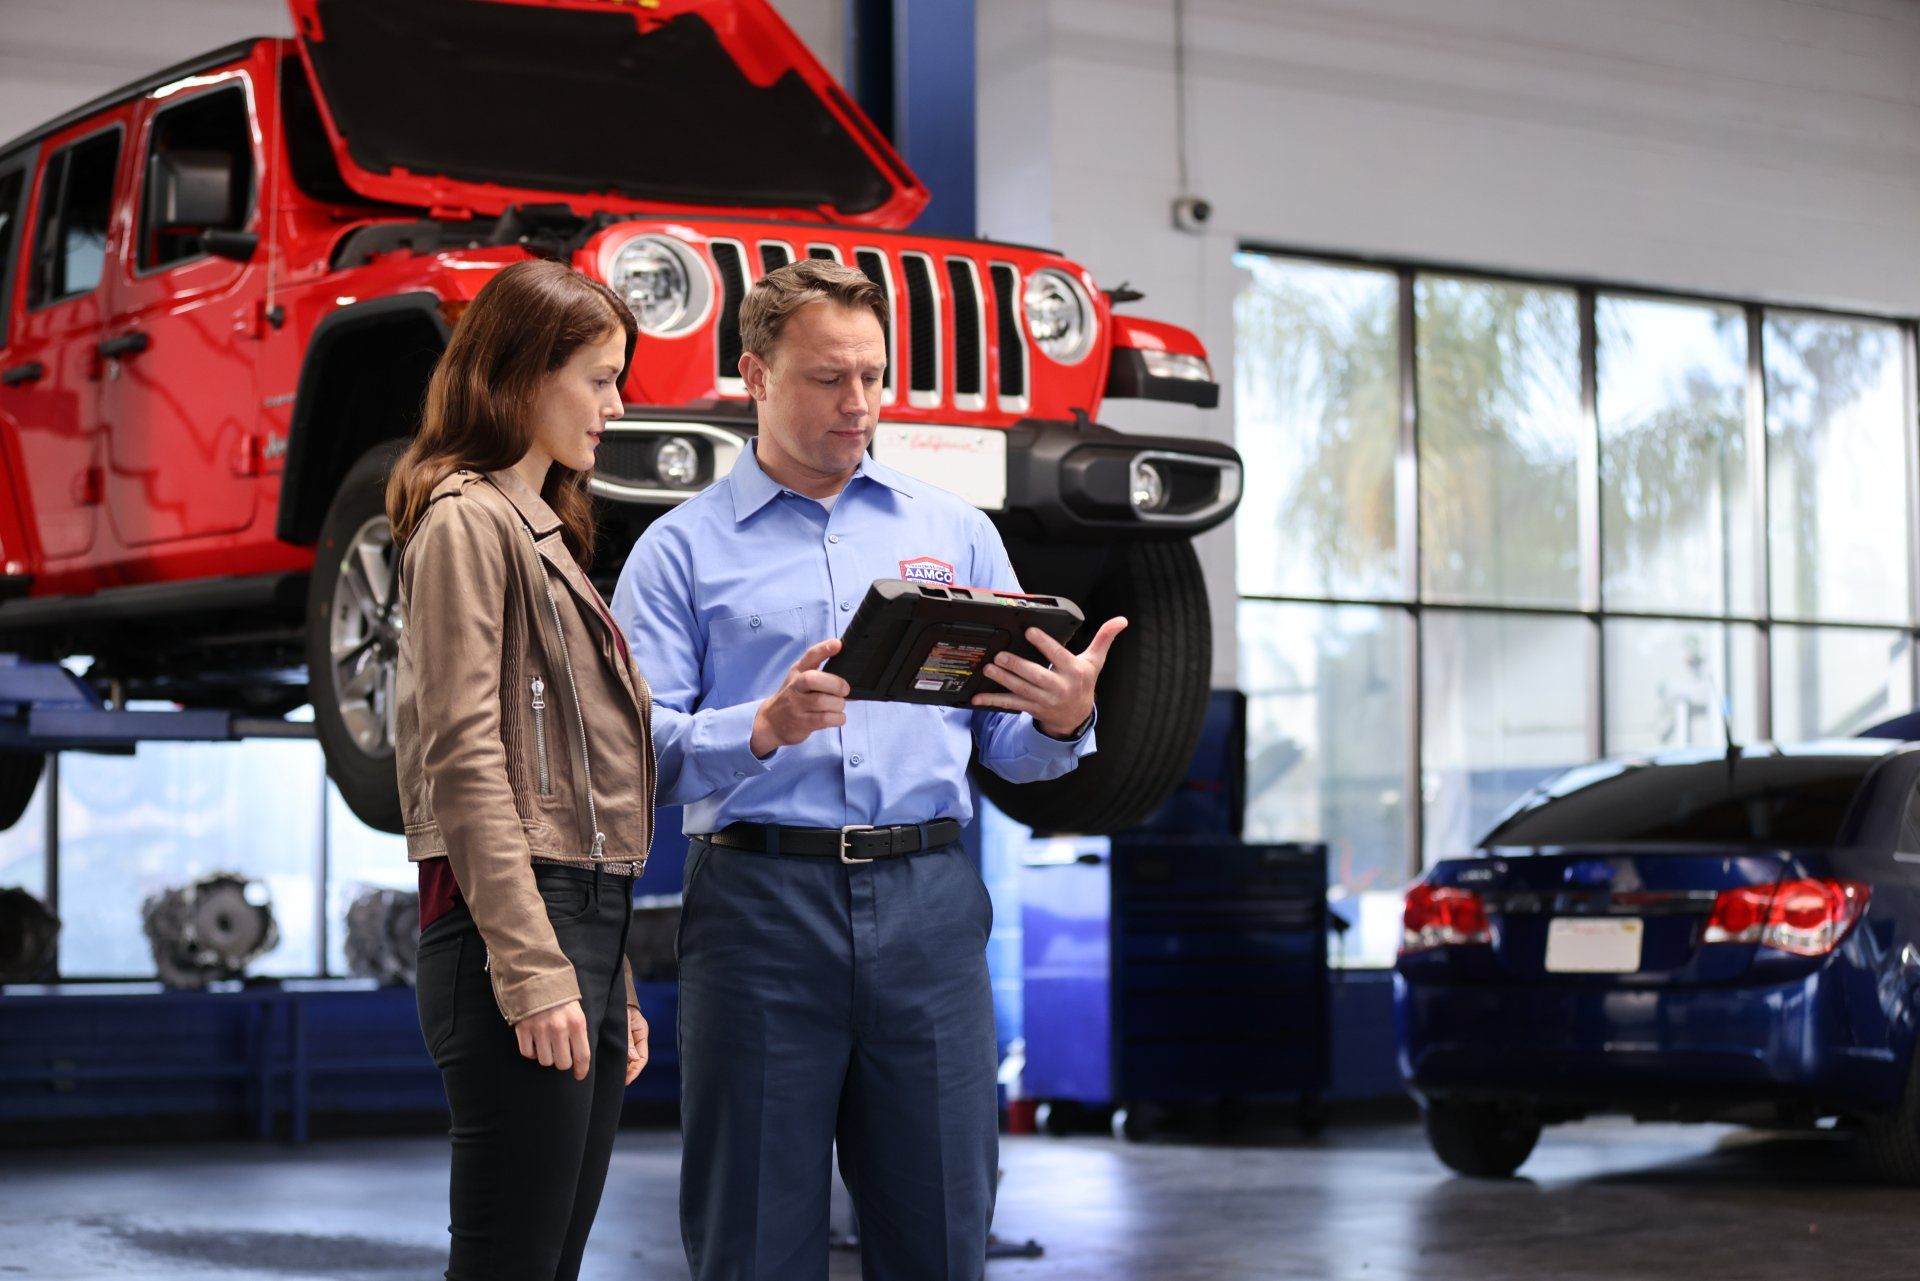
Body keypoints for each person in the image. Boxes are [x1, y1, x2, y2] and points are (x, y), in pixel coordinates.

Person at [611, 258, 1125, 1280]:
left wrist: (1066, 720)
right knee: (752, 1235)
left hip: (930, 904)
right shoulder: (678, 553)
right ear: (753, 375)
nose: (858, 404)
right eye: (825, 378)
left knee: (940, 1231)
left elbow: (1005, 749)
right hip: (760, 907)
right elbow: (632, 760)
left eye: (873, 376)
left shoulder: (956, 534)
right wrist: (760, 726)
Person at [388, 258, 657, 1281]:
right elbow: (465, 758)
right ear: (518, 376)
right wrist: (539, 969)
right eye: (597, 377)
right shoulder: (466, 521)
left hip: (577, 930)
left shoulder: (545, 531)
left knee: (548, 1266)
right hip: (511, 933)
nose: (616, 405)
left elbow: (585, 796)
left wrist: (613, 980)